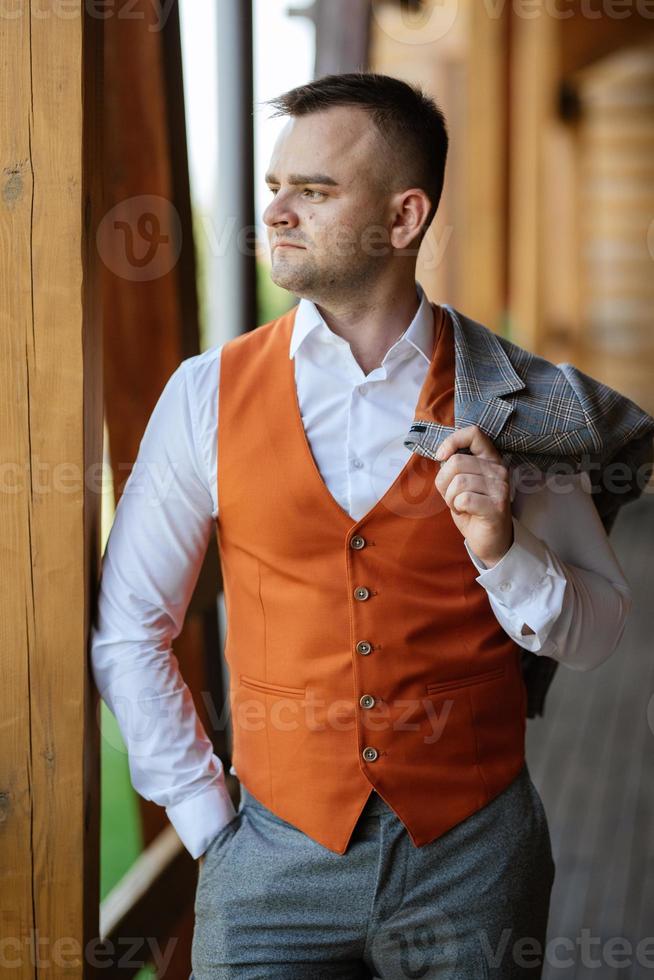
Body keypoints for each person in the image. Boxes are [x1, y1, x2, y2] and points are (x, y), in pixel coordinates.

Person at [91, 73, 654, 979]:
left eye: (314, 191)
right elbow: (129, 632)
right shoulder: (205, 395)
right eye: (275, 188)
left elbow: (599, 629)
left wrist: (504, 552)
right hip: (271, 868)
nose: (277, 211)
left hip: (476, 866)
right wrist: (211, 829)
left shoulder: (508, 400)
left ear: (404, 219)